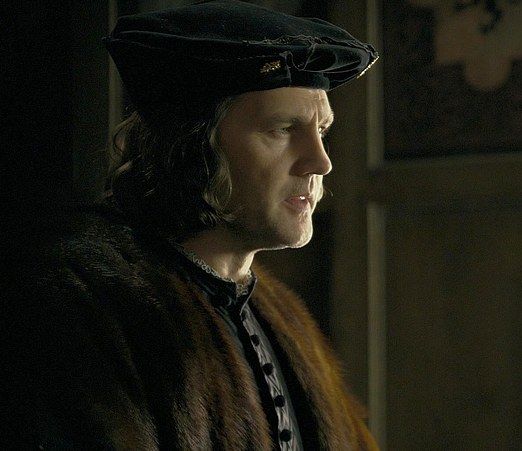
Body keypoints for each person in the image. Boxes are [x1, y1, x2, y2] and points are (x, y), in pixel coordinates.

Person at [0, 1, 378, 449]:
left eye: (322, 131)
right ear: (196, 143)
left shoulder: (284, 319)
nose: (321, 161)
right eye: (283, 129)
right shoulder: (78, 310)